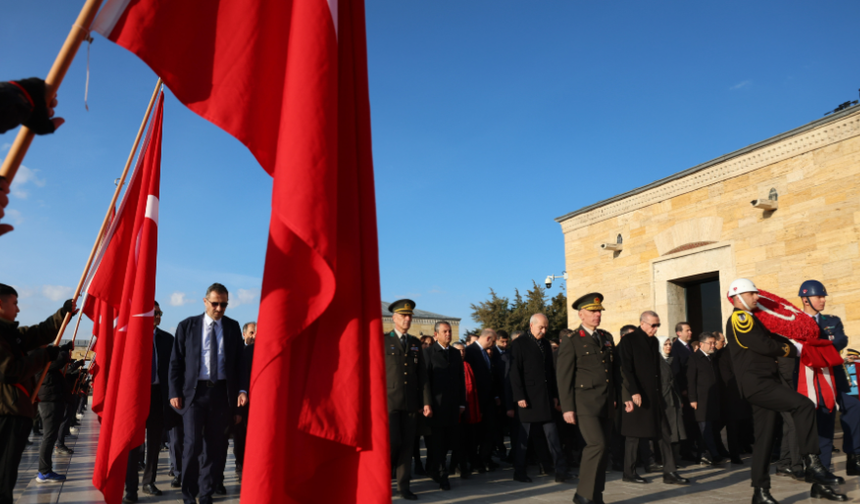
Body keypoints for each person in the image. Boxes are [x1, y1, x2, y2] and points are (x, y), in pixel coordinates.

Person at [725, 278, 837, 504]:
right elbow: (763, 345)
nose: (757, 297)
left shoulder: (754, 319)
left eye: (756, 293)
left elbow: (770, 338)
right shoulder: (741, 317)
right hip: (759, 384)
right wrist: (793, 349)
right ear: (737, 298)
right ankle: (812, 463)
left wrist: (796, 340)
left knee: (764, 439)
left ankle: (760, 492)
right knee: (803, 405)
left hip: (763, 383)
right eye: (751, 295)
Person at [169, 283, 245, 504]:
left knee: (215, 446)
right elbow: (175, 363)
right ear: (205, 302)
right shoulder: (187, 326)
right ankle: (188, 494)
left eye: (224, 304)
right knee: (192, 446)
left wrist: (241, 391)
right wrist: (174, 391)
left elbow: (240, 365)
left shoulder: (232, 327)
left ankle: (206, 494)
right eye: (215, 303)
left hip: (222, 395)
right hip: (194, 395)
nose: (220, 308)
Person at [0, 283, 76, 501]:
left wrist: (63, 314)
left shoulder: (10, 334)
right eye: (14, 303)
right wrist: (46, 356)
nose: (18, 309)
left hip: (16, 413)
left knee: (7, 475)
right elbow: (9, 371)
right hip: (5, 414)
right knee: (3, 478)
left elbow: (39, 332)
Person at [557, 293, 620, 504]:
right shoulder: (572, 340)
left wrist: (618, 397)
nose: (597, 315)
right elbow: (564, 376)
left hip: (606, 401)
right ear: (581, 314)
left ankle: (596, 495)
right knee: (597, 445)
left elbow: (613, 371)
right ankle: (583, 494)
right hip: (585, 403)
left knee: (604, 449)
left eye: (599, 311)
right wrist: (567, 408)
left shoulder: (606, 337)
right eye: (593, 312)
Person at [619, 311, 688, 486]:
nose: (655, 329)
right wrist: (633, 392)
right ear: (642, 323)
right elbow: (625, 368)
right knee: (634, 436)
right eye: (653, 325)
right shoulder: (629, 340)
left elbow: (655, 370)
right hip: (637, 395)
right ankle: (629, 472)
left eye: (658, 325)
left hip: (654, 396)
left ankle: (670, 472)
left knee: (665, 433)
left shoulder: (653, 341)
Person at [797, 280, 850, 500]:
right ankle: (814, 476)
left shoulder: (832, 320)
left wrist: (817, 345)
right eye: (819, 296)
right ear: (805, 299)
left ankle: (823, 482)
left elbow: (840, 340)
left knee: (827, 431)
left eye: (824, 296)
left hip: (829, 381)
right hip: (803, 384)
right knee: (811, 434)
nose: (823, 300)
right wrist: (824, 344)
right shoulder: (795, 322)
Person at [123, 301, 176, 502]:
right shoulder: (131, 337)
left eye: (160, 313)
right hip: (136, 396)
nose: (158, 316)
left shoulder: (167, 340)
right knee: (133, 442)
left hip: (158, 396)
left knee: (154, 441)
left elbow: (175, 370)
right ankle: (130, 487)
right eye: (154, 313)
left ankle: (148, 481)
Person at [509, 313, 570, 484]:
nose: (543, 331)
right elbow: (514, 372)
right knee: (523, 438)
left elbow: (550, 372)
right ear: (531, 325)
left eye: (546, 328)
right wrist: (519, 396)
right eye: (540, 327)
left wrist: (555, 395)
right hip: (527, 399)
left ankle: (561, 471)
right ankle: (519, 471)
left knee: (553, 436)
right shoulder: (519, 344)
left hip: (545, 398)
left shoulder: (545, 343)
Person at [384, 299, 430, 501]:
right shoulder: (384, 340)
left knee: (407, 446)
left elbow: (422, 375)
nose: (407, 319)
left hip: (411, 402)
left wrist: (426, 401)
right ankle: (384, 481)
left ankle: (404, 487)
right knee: (393, 442)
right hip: (389, 402)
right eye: (403, 316)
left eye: (409, 316)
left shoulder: (414, 343)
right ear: (394, 318)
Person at [422, 321, 465, 491]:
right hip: (436, 407)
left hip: (453, 406)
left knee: (449, 441)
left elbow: (461, 380)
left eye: (450, 331)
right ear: (436, 334)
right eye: (444, 331)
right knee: (437, 443)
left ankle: (435, 469)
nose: (448, 334)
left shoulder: (455, 353)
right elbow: (425, 381)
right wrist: (426, 403)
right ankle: (442, 475)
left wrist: (462, 402)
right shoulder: (429, 353)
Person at [464, 328, 500, 474]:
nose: (494, 345)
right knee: (475, 435)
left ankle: (485, 458)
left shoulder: (485, 352)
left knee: (490, 431)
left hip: (488, 400)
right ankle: (475, 461)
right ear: (488, 339)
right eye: (493, 341)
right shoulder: (470, 351)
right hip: (476, 401)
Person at [686, 332, 723, 465]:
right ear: (701, 344)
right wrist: (692, 399)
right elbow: (691, 381)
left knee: (711, 429)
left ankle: (703, 454)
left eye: (714, 343)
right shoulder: (694, 359)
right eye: (710, 343)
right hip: (701, 401)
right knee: (705, 429)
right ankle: (715, 454)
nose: (713, 345)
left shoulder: (712, 358)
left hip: (712, 400)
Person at [233, 321, 255, 482]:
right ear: (244, 334)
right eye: (251, 333)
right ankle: (240, 464)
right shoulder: (238, 353)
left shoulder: (260, 352)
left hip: (258, 404)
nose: (254, 336)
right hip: (242, 404)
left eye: (256, 333)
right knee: (240, 436)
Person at [659, 337, 686, 463]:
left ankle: (675, 458)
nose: (668, 346)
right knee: (667, 431)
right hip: (664, 400)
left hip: (673, 399)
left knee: (677, 429)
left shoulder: (671, 360)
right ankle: (665, 459)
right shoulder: (657, 361)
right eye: (665, 344)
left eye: (670, 344)